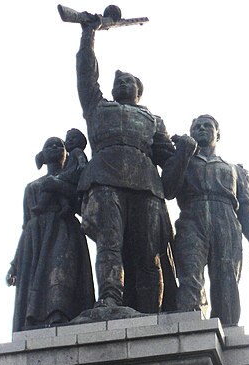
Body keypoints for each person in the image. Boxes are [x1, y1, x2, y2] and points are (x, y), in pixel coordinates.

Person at [75, 18, 176, 313]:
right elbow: (85, 75)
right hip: (104, 180)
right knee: (109, 244)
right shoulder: (97, 106)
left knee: (148, 252)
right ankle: (109, 297)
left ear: (139, 91)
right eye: (118, 81)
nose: (122, 83)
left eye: (129, 80)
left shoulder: (153, 120)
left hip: (146, 186)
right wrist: (88, 34)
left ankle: (150, 308)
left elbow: (167, 160)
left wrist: (185, 154)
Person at [162, 115, 249, 325]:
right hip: (192, 216)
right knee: (190, 275)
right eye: (196, 127)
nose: (201, 129)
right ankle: (189, 325)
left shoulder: (234, 169)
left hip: (226, 219)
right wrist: (182, 154)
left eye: (207, 126)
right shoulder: (183, 159)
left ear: (218, 134)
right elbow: (169, 190)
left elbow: (244, 209)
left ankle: (227, 328)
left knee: (226, 278)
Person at [6, 136, 95, 331]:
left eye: (59, 145)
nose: (55, 147)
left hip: (64, 230)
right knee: (36, 281)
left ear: (66, 154)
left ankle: (60, 317)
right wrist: (15, 264)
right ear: (43, 156)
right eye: (49, 145)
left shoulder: (73, 179)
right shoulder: (31, 187)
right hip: (34, 237)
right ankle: (33, 322)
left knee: (61, 273)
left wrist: (58, 186)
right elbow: (25, 223)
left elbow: (82, 204)